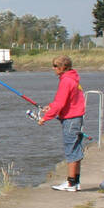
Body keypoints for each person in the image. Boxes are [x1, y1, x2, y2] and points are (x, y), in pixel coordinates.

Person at [37, 55, 86, 191]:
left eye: (55, 66)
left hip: (71, 119)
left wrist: (45, 118)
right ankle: (76, 182)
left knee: (71, 150)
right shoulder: (72, 78)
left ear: (62, 67)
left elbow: (60, 103)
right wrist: (50, 106)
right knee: (76, 150)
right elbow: (62, 101)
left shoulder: (66, 81)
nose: (53, 68)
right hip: (76, 117)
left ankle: (70, 183)